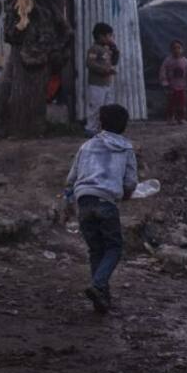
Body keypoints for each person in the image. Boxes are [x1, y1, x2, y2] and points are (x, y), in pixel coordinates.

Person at [65, 104, 138, 313]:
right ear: (124, 126)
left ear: (100, 123)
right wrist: (126, 195)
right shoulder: (126, 148)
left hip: (84, 201)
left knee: (96, 249)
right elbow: (131, 182)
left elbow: (71, 178)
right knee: (114, 248)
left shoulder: (86, 146)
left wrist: (67, 201)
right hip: (107, 202)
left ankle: (102, 297)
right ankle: (98, 286)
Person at [85, 22, 120, 135]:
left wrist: (115, 50)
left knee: (107, 107)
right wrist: (105, 70)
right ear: (101, 36)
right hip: (96, 85)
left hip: (106, 84)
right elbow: (90, 63)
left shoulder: (106, 49)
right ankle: (91, 129)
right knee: (95, 107)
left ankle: (103, 129)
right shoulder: (94, 49)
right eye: (109, 36)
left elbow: (114, 62)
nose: (111, 38)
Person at [158, 39, 187, 124]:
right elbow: (162, 72)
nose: (177, 50)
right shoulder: (168, 61)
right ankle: (170, 118)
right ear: (171, 50)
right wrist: (164, 82)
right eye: (174, 48)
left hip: (182, 86)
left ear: (182, 49)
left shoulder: (185, 61)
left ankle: (181, 118)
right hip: (171, 86)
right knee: (171, 104)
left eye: (179, 48)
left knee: (182, 103)